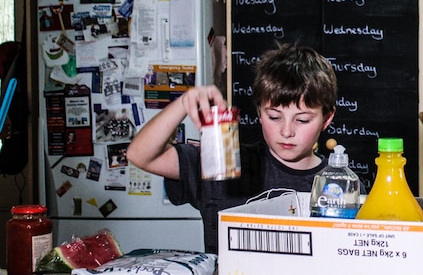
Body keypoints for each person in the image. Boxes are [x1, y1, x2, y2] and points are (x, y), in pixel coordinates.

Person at [127, 43, 338, 253]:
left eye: (302, 120)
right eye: (274, 117)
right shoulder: (225, 161)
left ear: (327, 119)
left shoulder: (339, 186)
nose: (286, 131)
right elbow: (140, 155)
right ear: (259, 113)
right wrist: (183, 103)